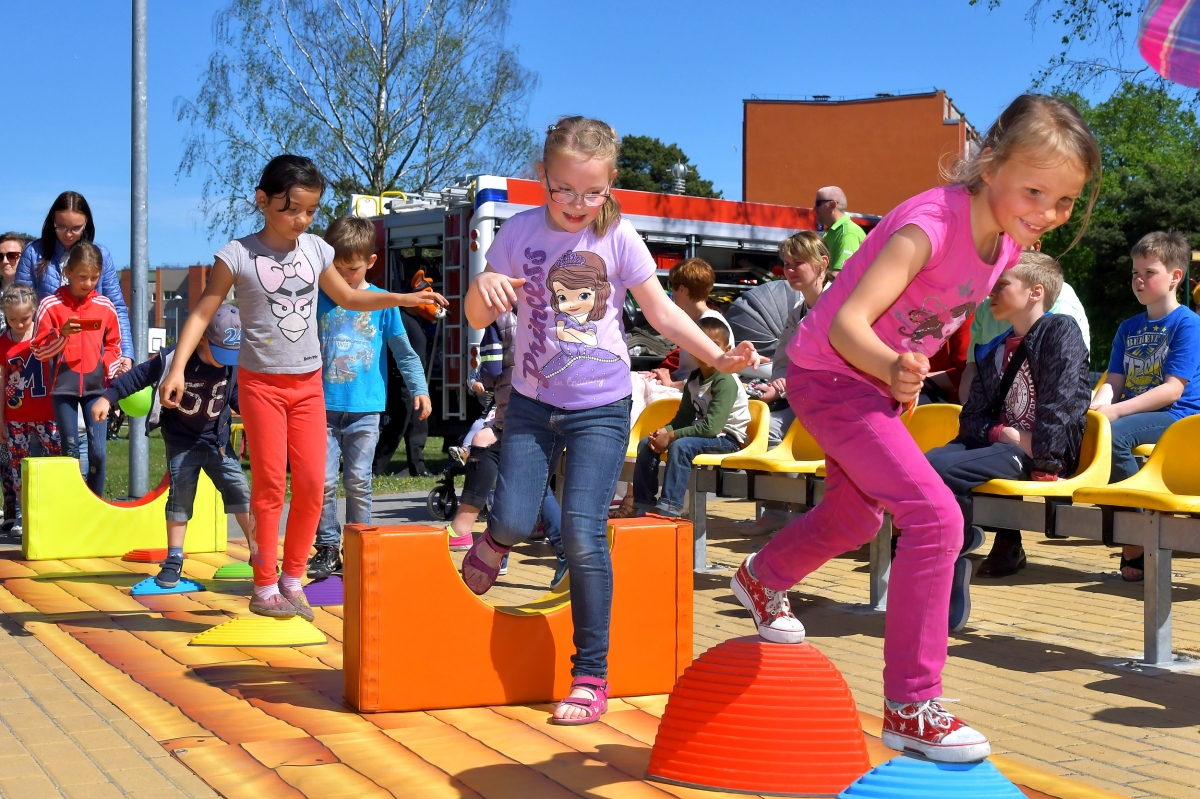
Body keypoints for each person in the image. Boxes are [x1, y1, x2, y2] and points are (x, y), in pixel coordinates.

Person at [728, 94, 1100, 762]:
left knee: (856, 516)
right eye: (1036, 191)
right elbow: (848, 325)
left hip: (876, 386)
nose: (1048, 212)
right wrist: (893, 367)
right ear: (990, 164)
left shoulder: (1007, 242)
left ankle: (762, 575)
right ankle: (910, 706)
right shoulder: (930, 224)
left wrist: (904, 374)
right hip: (833, 374)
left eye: (1065, 201)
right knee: (936, 518)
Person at [462, 115, 758, 725]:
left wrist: (717, 356)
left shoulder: (620, 238)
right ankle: (495, 539)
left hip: (601, 405)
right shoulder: (518, 233)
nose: (576, 204)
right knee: (513, 517)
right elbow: (473, 317)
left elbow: (664, 314)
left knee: (582, 532)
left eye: (591, 193)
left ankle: (590, 675)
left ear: (610, 183)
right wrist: (485, 283)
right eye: (563, 190)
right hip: (532, 403)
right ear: (542, 177)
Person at [158, 154, 446, 620]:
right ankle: (264, 584)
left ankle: (292, 580)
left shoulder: (315, 249)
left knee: (314, 483)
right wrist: (175, 369)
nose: (302, 220)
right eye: (291, 209)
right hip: (262, 386)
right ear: (262, 200)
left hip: (309, 385)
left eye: (310, 211)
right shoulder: (237, 255)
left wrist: (403, 298)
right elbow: (202, 311)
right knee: (272, 483)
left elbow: (348, 296)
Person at [926, 253, 1090, 624]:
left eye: (1001, 285)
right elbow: (971, 417)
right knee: (921, 466)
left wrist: (1046, 459)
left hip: (1038, 454)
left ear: (1035, 292)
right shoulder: (996, 347)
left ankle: (953, 556)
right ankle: (955, 546)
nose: (991, 293)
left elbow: (1063, 400)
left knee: (941, 470)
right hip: (1007, 444)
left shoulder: (1059, 330)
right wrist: (1003, 433)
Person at [93, 305, 253, 588]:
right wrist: (108, 397)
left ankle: (259, 553)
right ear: (201, 338)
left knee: (241, 492)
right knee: (180, 498)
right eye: (220, 353)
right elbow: (138, 376)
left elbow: (236, 395)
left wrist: (254, 415)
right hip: (182, 443)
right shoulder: (174, 360)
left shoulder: (231, 364)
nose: (224, 362)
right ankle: (174, 558)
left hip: (217, 443)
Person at [307, 216, 431, 579]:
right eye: (336, 269)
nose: (344, 277)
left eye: (352, 269)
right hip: (322, 407)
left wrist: (420, 389)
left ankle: (358, 546)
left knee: (358, 481)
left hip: (365, 410)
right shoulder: (317, 299)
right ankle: (327, 546)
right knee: (322, 482)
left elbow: (405, 352)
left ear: (371, 262)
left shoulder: (382, 302)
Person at [1091, 231, 1200, 582]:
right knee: (1091, 430)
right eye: (1135, 273)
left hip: (1180, 417)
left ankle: (1138, 536)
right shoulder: (1128, 327)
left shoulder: (1188, 324)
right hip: (1140, 413)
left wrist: (1116, 412)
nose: (1138, 280)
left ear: (1175, 277)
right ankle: (1132, 520)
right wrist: (1097, 408)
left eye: (1149, 272)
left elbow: (1172, 390)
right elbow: (1114, 382)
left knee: (1114, 436)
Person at [16, 193, 134, 487]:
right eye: (61, 227)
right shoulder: (35, 253)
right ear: (51, 223)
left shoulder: (100, 254)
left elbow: (116, 307)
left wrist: (124, 355)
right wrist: (37, 340)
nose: (68, 234)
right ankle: (39, 500)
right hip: (48, 359)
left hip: (91, 365)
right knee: (43, 434)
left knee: (94, 447)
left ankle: (91, 501)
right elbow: (22, 303)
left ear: (87, 225)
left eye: (76, 228)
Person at [446, 309, 568, 588]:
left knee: (521, 477)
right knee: (528, 479)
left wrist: (480, 379)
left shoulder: (500, 320)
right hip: (556, 407)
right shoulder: (555, 309)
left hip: (518, 412)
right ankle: (497, 548)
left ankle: (554, 549)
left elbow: (490, 370)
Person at [737, 231, 829, 537]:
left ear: (822, 264)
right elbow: (783, 362)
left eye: (797, 263)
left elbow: (827, 366)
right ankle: (780, 510)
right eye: (786, 263)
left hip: (832, 404)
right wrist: (778, 384)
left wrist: (783, 386)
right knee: (762, 427)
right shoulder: (798, 310)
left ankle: (799, 511)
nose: (789, 270)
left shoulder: (840, 306)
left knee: (773, 430)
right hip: (802, 401)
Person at [633, 317, 750, 517]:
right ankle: (643, 505)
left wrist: (671, 436)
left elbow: (712, 427)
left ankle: (669, 509)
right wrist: (664, 431)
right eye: (700, 345)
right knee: (646, 443)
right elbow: (683, 418)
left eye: (714, 346)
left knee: (681, 446)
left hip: (727, 438)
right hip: (704, 435)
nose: (707, 351)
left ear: (727, 349)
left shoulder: (725, 380)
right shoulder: (694, 380)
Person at [30, 242, 122, 496]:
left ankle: (95, 504)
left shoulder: (105, 306)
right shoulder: (50, 305)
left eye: (94, 277)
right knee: (70, 452)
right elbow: (38, 350)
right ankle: (74, 503)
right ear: (68, 272)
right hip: (63, 389)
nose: (88, 283)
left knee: (98, 454)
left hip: (96, 390)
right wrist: (61, 334)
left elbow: (114, 344)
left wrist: (111, 367)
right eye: (82, 277)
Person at [957, 241, 1090, 404]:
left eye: (1002, 284)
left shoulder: (1062, 311)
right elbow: (973, 370)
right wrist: (972, 413)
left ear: (1035, 247)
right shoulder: (985, 308)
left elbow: (1061, 395)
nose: (998, 253)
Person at [0, 284, 61, 536]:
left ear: (35, 310)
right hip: (16, 419)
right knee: (18, 468)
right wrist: (1, 420)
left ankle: (56, 511)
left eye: (24, 318)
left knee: (58, 461)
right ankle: (23, 516)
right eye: (12, 319)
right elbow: (1, 382)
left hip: (48, 415)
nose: (19, 324)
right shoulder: (3, 342)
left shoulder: (46, 335)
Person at [659, 258, 734, 385]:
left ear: (682, 289)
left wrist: (671, 384)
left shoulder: (710, 325)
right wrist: (666, 374)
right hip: (685, 387)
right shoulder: (697, 321)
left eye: (671, 286)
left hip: (695, 393)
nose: (671, 292)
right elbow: (687, 371)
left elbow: (713, 378)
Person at [0, 233, 30, 529]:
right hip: (5, 384)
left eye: (13, 255)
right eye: (1, 256)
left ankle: (23, 511)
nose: (6, 261)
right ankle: (12, 510)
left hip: (28, 392)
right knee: (7, 453)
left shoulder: (34, 299)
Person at [815, 186, 866, 277]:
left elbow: (840, 275)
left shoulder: (848, 233)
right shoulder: (834, 231)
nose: (814, 208)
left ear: (832, 205)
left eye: (818, 203)